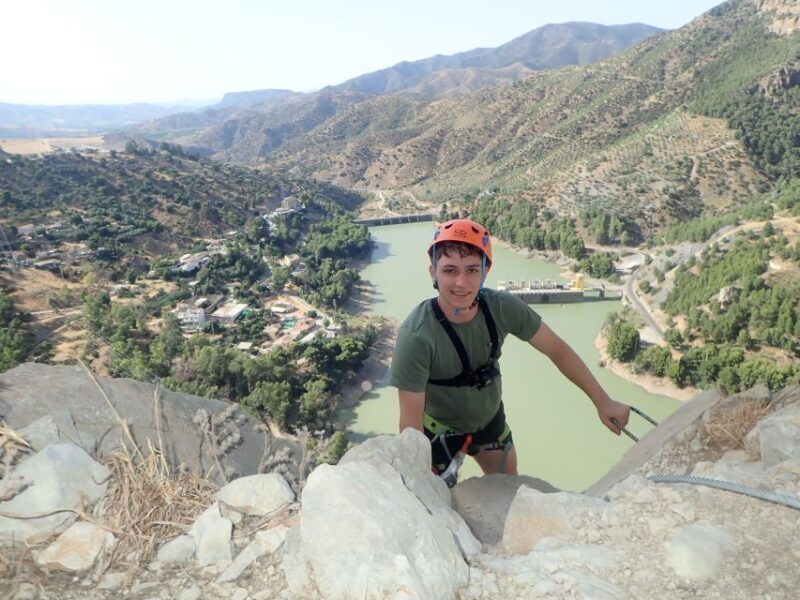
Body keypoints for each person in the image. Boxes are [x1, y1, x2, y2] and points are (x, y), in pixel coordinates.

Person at [388, 218, 630, 484]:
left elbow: (557, 350)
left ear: (485, 271)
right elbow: (410, 425)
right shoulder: (417, 335)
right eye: (449, 271)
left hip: (488, 424)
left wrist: (602, 400)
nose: (461, 282)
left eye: (471, 270)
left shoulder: (501, 308)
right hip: (436, 430)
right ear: (433, 273)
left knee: (509, 487)